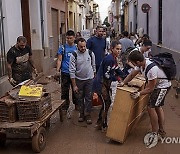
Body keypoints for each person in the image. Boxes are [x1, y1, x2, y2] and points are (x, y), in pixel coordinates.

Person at [120, 49, 171, 143]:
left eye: (133, 63)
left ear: (138, 62)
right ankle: (160, 131)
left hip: (163, 86)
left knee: (151, 107)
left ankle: (156, 132)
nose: (133, 65)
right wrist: (123, 82)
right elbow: (131, 75)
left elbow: (150, 88)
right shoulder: (142, 64)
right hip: (157, 86)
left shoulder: (151, 69)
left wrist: (139, 93)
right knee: (156, 106)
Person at [92, 41, 125, 131]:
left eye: (120, 49)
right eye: (117, 49)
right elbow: (107, 75)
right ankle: (102, 124)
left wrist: (126, 76)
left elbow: (117, 69)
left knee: (107, 103)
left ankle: (100, 123)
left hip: (105, 84)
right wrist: (118, 79)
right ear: (112, 49)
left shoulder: (114, 58)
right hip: (100, 84)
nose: (119, 51)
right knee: (106, 103)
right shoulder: (109, 59)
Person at [69, 38, 96, 124]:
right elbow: (72, 71)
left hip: (89, 79)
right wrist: (74, 85)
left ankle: (87, 114)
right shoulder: (74, 55)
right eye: (81, 47)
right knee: (80, 98)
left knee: (88, 98)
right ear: (77, 46)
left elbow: (93, 66)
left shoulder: (91, 53)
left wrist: (93, 79)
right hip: (79, 80)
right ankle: (81, 114)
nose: (83, 48)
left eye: (84, 46)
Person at [56, 30, 78, 111]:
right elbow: (59, 60)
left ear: (74, 38)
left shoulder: (77, 47)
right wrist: (58, 71)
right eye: (67, 38)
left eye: (70, 38)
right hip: (65, 73)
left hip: (75, 74)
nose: (69, 40)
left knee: (75, 90)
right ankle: (65, 106)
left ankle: (77, 105)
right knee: (64, 91)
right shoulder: (62, 48)